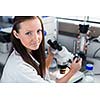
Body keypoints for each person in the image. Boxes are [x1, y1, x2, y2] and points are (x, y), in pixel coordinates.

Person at [0, 16, 82, 83]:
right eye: (28, 33)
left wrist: (51, 55)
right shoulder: (20, 68)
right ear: (16, 34)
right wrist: (73, 71)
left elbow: (40, 71)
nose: (36, 38)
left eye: (38, 31)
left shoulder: (27, 51)